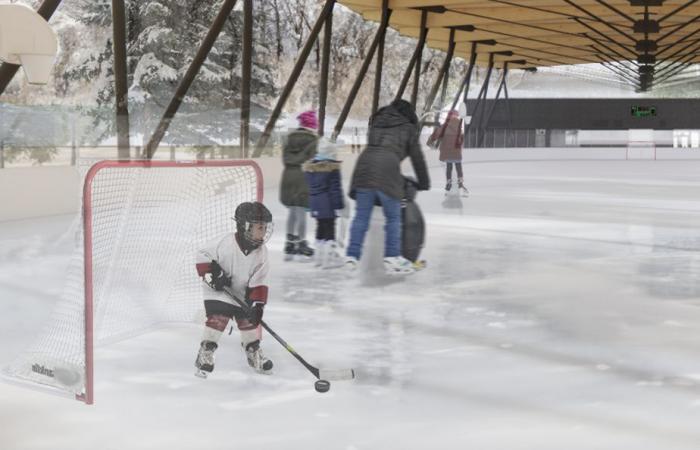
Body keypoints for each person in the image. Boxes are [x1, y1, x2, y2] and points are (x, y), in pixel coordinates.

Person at [346, 99, 431, 275]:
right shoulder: (408, 128)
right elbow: (418, 159)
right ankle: (392, 258)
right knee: (393, 218)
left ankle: (351, 257)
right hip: (387, 170)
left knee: (361, 217)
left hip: (364, 166)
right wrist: (424, 182)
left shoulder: (377, 123)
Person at [194, 201, 274, 377]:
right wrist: (213, 275)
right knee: (218, 318)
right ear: (244, 226)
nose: (264, 232)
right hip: (219, 291)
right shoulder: (224, 243)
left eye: (264, 227)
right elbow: (202, 256)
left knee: (249, 322)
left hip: (242, 293)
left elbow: (259, 280)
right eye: (259, 227)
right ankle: (205, 353)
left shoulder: (262, 253)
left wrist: (257, 305)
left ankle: (253, 353)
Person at [280, 110, 318, 261]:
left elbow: (286, 159)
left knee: (293, 210)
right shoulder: (314, 141)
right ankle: (302, 243)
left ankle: (289, 243)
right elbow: (313, 163)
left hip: (288, 176)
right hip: (303, 177)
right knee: (301, 210)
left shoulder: (289, 138)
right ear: (312, 125)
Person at [303, 138, 345, 269]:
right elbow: (335, 189)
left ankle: (319, 258)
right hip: (328, 204)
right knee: (329, 229)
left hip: (315, 203)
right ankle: (328, 260)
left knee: (320, 228)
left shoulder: (311, 168)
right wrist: (339, 206)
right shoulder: (332, 168)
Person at [432, 110, 468, 197]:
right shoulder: (458, 126)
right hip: (454, 152)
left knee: (450, 168)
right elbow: (462, 138)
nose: (455, 117)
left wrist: (432, 142)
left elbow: (437, 134)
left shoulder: (446, 126)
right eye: (455, 115)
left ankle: (451, 184)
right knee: (456, 168)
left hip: (450, 151)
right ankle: (458, 184)